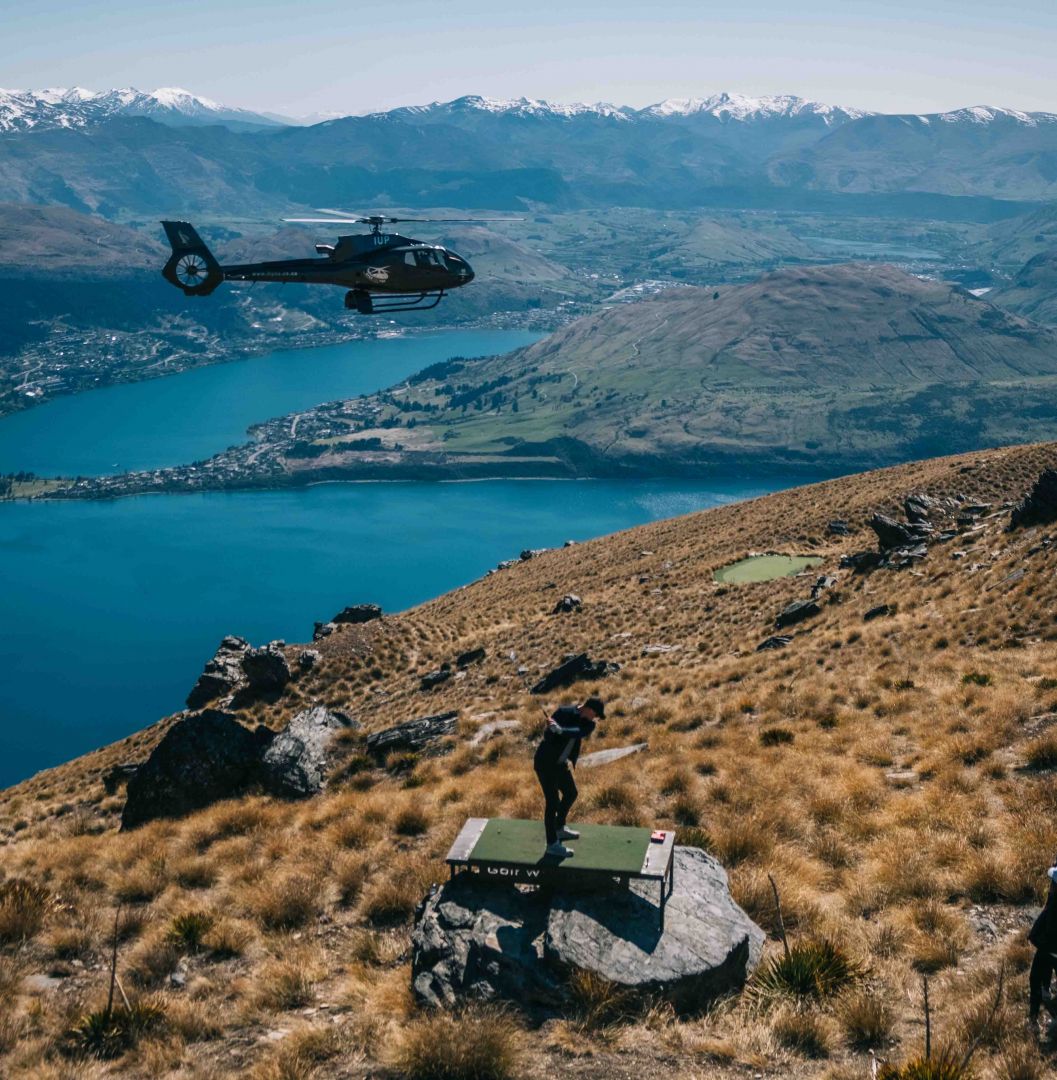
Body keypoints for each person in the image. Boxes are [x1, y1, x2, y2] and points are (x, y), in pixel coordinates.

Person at [533, 696, 604, 858]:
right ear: (590, 709)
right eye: (596, 714)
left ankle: (559, 827)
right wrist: (551, 728)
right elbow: (548, 737)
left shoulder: (589, 724)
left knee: (571, 793)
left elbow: (578, 732)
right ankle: (552, 844)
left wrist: (561, 730)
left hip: (560, 765)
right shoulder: (563, 712)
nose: (595, 718)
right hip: (545, 763)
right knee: (553, 802)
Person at [1029, 858, 1057, 1030]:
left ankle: (1033, 1020)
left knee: (1035, 980)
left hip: (1049, 950)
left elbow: (1050, 931)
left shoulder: (1054, 906)